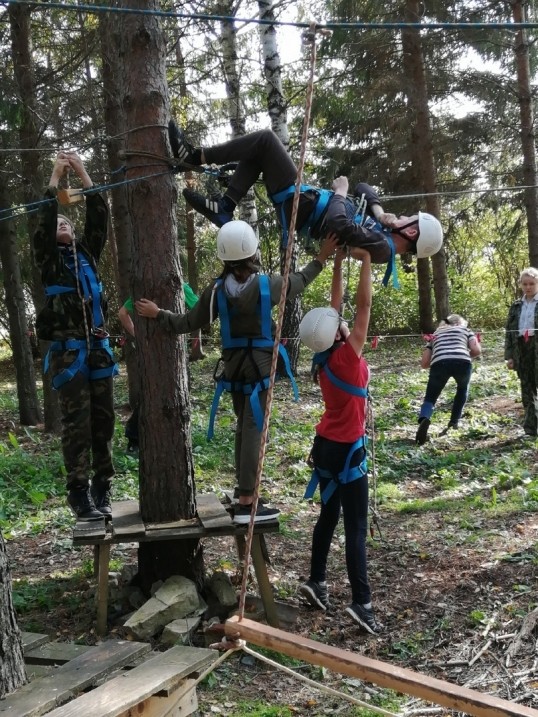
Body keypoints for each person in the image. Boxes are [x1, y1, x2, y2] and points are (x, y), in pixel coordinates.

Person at [136, 220, 338, 524]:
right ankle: (246, 501)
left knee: (245, 427)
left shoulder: (217, 291)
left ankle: (247, 492)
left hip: (235, 369)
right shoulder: (268, 284)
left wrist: (159, 314)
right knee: (253, 430)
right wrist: (322, 257)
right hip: (259, 368)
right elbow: (300, 280)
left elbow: (188, 322)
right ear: (252, 250)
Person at [168, 122, 443, 285]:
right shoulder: (382, 233)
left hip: (303, 210)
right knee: (258, 152)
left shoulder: (382, 248)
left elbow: (338, 224)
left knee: (265, 140)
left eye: (409, 218)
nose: (405, 216)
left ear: (410, 232)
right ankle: (225, 207)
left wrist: (339, 192)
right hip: (303, 207)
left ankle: (195, 157)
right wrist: (381, 213)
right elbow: (364, 188)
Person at [298, 244, 380, 634]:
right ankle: (362, 603)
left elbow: (337, 306)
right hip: (347, 450)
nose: (344, 319)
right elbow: (362, 308)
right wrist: (364, 261)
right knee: (356, 528)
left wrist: (336, 263)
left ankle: (316, 580)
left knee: (328, 517)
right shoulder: (348, 356)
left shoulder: (324, 356)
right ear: (338, 333)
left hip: (326, 448)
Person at [33, 152, 117, 521]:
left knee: (105, 421)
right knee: (77, 426)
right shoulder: (49, 260)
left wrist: (82, 172)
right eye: (59, 223)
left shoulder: (87, 255)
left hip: (97, 347)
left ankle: (103, 487)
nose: (63, 225)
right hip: (69, 355)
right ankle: (79, 494)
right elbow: (43, 219)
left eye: (68, 221)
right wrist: (55, 176)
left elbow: (100, 215)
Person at [119, 284, 204, 454]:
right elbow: (198, 314)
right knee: (162, 394)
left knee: (154, 394)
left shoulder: (141, 289)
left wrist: (137, 334)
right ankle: (137, 438)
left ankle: (140, 439)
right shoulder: (180, 284)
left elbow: (122, 313)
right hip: (167, 354)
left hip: (160, 353)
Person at [415, 315, 481, 445]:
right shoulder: (466, 330)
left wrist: (437, 358)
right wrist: (465, 355)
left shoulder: (436, 334)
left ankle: (424, 418)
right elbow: (476, 350)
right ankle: (454, 421)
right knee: (462, 389)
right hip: (462, 362)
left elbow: (424, 363)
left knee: (431, 397)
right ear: (461, 323)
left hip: (440, 363)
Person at [505, 267, 538, 438]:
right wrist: (509, 356)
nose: (528, 287)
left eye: (532, 284)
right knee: (527, 387)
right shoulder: (516, 306)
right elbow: (509, 332)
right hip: (521, 347)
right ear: (520, 285)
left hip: (536, 346)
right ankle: (531, 429)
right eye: (525, 284)